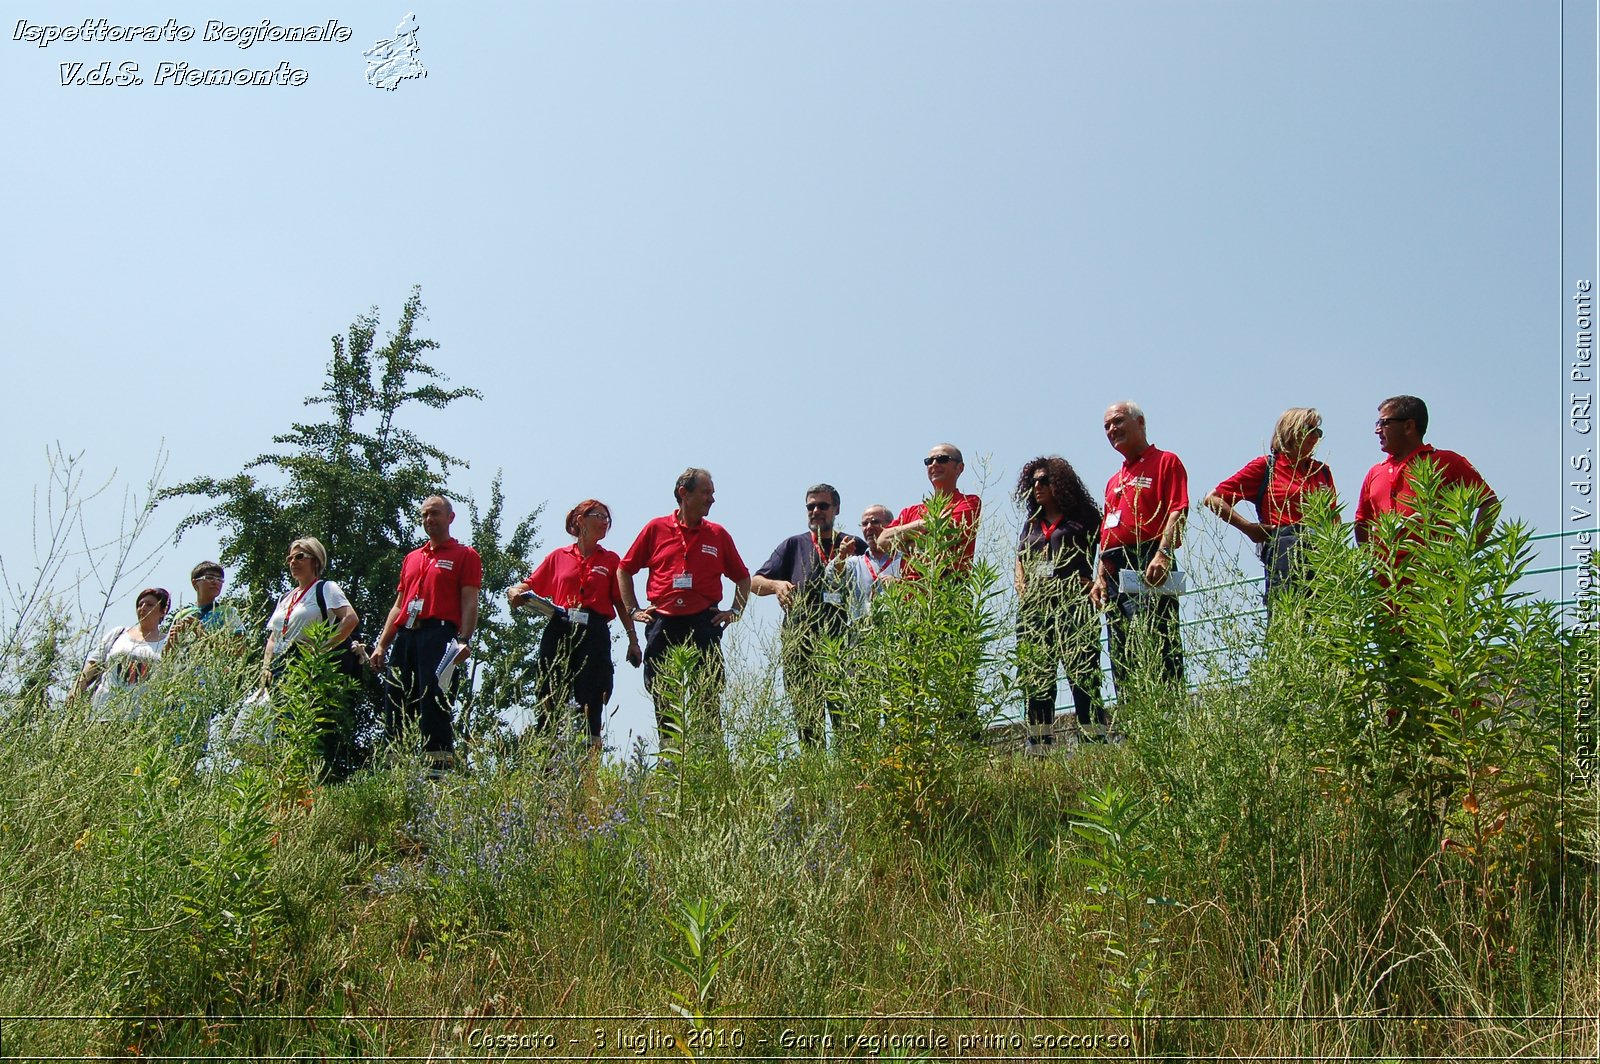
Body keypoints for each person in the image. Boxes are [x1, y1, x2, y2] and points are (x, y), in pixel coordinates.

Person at [619, 468, 751, 747]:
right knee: (663, 694)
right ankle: (671, 763)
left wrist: (735, 611)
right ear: (684, 493)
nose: (712, 500)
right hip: (663, 622)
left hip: (704, 622)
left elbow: (742, 577)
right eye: (706, 493)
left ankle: (710, 759)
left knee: (707, 693)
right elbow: (625, 569)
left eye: (712, 494)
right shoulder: (655, 528)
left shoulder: (718, 534)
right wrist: (633, 610)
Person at [510, 498, 641, 752]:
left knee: (592, 699)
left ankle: (587, 770)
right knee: (549, 693)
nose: (605, 522)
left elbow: (620, 603)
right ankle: (547, 763)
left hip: (594, 632)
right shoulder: (558, 556)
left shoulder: (611, 560)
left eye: (607, 519)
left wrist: (633, 640)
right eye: (599, 516)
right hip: (560, 627)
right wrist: (515, 590)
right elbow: (530, 584)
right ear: (580, 520)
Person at [750, 484, 867, 748]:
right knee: (806, 720)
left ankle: (852, 779)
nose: (815, 511)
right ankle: (814, 776)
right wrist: (777, 586)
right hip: (801, 645)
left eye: (822, 506)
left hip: (843, 645)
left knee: (848, 721)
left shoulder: (853, 545)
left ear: (836, 509)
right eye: (810, 506)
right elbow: (754, 583)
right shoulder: (794, 545)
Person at [369, 496, 482, 763]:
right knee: (395, 698)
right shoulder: (412, 558)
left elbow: (470, 601)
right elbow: (399, 606)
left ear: (450, 518)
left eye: (435, 514)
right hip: (407, 635)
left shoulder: (465, 555)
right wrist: (382, 645)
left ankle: (438, 768)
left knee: (434, 700)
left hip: (439, 636)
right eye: (424, 515)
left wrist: (463, 640)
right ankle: (393, 766)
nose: (429, 520)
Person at [1089, 401, 1188, 694]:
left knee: (1159, 639)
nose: (1111, 430)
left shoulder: (1166, 461)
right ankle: (1132, 720)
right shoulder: (1113, 481)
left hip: (1148, 558)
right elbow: (1107, 532)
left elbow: (1178, 510)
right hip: (1113, 566)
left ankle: (1171, 716)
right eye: (1106, 426)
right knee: (1121, 645)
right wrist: (1100, 575)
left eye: (1117, 421)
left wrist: (1163, 553)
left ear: (1140, 422)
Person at [1013, 456, 1107, 752]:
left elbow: (1105, 549)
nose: (1037, 487)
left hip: (1074, 604)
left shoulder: (1085, 518)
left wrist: (1096, 581)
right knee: (1036, 674)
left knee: (1082, 671)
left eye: (1044, 481)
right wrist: (1021, 584)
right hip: (1036, 608)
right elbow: (1020, 557)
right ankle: (1039, 744)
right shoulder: (1031, 523)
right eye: (1033, 482)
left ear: (1061, 483)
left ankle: (1093, 739)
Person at [1204, 408, 1338, 613]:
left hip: (1321, 551)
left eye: (1318, 432)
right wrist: (1249, 528)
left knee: (1327, 619)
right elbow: (1213, 499)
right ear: (1291, 431)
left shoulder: (1322, 471)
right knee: (1287, 617)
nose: (1315, 437)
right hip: (1285, 547)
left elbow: (1333, 517)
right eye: (1310, 430)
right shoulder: (1267, 467)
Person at [261, 537, 362, 766]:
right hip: (279, 666)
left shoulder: (326, 588)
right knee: (277, 725)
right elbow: (273, 637)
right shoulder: (285, 597)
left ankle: (305, 781)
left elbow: (350, 618)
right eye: (290, 558)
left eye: (299, 556)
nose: (293, 562)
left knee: (301, 722)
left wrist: (322, 647)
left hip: (307, 664)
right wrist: (266, 666)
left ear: (315, 560)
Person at [1354, 395, 1499, 547]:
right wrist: (1372, 561)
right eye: (1377, 423)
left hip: (1434, 568)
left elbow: (1490, 503)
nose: (1377, 430)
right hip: (1387, 569)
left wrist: (1469, 549)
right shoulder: (1375, 472)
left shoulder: (1446, 461)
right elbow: (1362, 522)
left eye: (1384, 423)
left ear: (1408, 426)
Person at [876, 443, 983, 574]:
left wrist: (905, 543)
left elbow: (944, 539)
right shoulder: (910, 512)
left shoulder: (969, 502)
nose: (934, 464)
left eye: (942, 459)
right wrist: (922, 524)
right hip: (908, 592)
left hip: (946, 592)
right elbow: (882, 541)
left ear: (959, 468)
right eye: (929, 461)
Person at [72, 587, 171, 718]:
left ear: (162, 612)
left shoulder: (167, 643)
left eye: (150, 605)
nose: (143, 608)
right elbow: (93, 665)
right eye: (140, 605)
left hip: (141, 720)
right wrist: (76, 689)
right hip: (103, 713)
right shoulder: (118, 634)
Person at [167, 560, 247, 647]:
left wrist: (201, 633)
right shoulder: (182, 615)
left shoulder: (228, 612)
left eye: (219, 579)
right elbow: (164, 656)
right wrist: (171, 641)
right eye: (209, 578)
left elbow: (240, 649)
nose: (215, 582)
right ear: (195, 583)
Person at [844, 504, 902, 622]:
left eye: (875, 522)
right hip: (863, 635)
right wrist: (840, 557)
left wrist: (901, 585)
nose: (869, 527)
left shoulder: (904, 560)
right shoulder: (854, 564)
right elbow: (831, 579)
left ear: (891, 525)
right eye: (865, 524)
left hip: (898, 632)